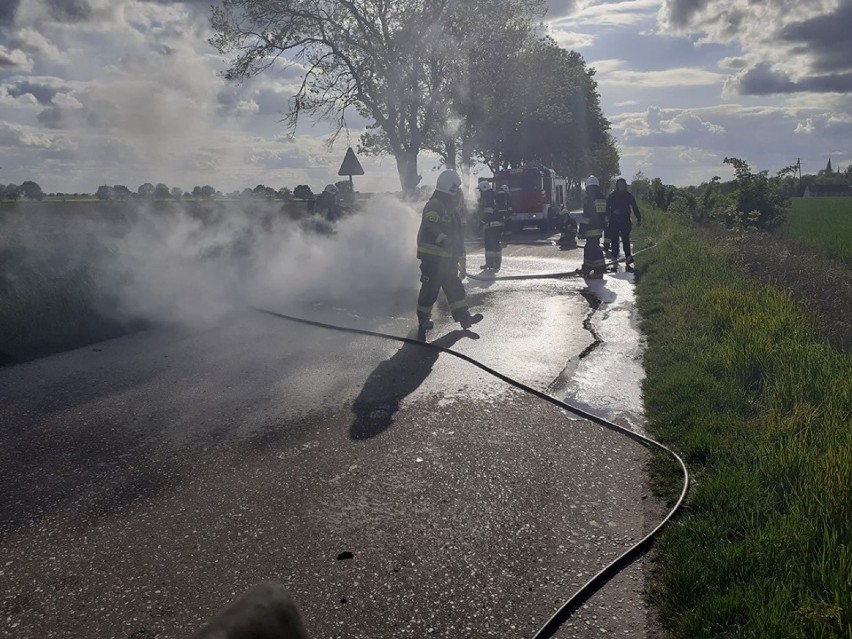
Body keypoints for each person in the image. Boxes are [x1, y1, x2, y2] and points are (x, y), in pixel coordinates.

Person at [416, 170, 484, 331]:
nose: (458, 192)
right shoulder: (434, 204)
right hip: (433, 258)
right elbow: (431, 225)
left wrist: (459, 254)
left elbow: (456, 234)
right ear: (451, 188)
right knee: (430, 290)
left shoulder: (450, 208)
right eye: (457, 188)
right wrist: (443, 240)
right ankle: (423, 319)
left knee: (454, 287)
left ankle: (464, 318)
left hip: (447, 259)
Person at [605, 177, 641, 265]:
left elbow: (635, 208)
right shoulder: (612, 196)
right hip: (614, 220)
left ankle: (628, 256)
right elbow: (606, 208)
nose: (621, 186)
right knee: (614, 239)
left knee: (625, 239)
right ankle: (614, 256)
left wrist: (639, 218)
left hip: (625, 221)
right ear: (617, 186)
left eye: (623, 185)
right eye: (619, 185)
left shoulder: (629, 196)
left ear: (625, 186)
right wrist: (612, 212)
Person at [580, 176, 608, 279]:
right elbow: (604, 214)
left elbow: (587, 215)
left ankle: (598, 271)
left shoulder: (590, 199)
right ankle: (588, 268)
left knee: (593, 248)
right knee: (591, 247)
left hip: (591, 227)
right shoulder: (602, 197)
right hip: (598, 227)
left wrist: (582, 228)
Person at [476, 181, 503, 271]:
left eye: (480, 190)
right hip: (496, 224)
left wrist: (481, 223)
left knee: (492, 245)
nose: (479, 192)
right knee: (492, 245)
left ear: (483, 188)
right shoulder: (492, 194)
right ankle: (492, 264)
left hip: (492, 225)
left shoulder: (488, 197)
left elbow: (488, 213)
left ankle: (493, 264)